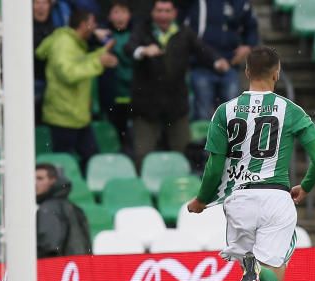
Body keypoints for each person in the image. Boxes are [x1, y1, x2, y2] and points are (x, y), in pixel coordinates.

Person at [185, 47, 315, 281]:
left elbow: (214, 165)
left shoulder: (225, 111)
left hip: (239, 201)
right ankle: (259, 273)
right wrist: (305, 187)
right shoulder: (290, 110)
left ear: (246, 72)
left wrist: (202, 200)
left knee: (258, 280)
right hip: (277, 198)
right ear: (277, 73)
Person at [126, 0, 230, 168]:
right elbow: (129, 47)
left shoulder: (184, 32)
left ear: (174, 13)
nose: (163, 15)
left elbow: (202, 49)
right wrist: (143, 51)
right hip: (146, 107)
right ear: (152, 13)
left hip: (176, 106)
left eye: (167, 11)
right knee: (142, 156)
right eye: (159, 11)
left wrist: (216, 61)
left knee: (183, 154)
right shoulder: (141, 30)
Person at [35, 9, 119, 164]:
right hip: (63, 116)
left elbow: (80, 62)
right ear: (83, 24)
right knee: (63, 163)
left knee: (92, 159)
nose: (94, 28)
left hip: (77, 116)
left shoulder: (74, 43)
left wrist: (100, 54)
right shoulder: (64, 43)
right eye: (92, 24)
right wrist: (98, 62)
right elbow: (69, 73)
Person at [183, 0, 260, 121]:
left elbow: (252, 27)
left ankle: (230, 139)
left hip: (230, 65)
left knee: (233, 115)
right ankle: (204, 140)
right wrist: (213, 59)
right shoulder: (193, 3)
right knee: (203, 115)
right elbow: (186, 31)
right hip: (200, 64)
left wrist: (248, 46)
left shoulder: (241, 3)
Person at [98, 1, 134, 149]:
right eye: (116, 12)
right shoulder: (99, 37)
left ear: (129, 15)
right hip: (111, 98)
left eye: (123, 12)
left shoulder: (138, 35)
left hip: (134, 97)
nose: (120, 17)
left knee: (131, 140)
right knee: (112, 139)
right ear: (109, 16)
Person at [36, 163, 92, 257]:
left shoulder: (48, 209)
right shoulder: (74, 208)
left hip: (58, 267)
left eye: (40, 178)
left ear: (52, 181)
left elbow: (49, 246)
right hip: (78, 266)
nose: (35, 183)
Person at [33, 0, 55, 120]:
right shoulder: (22, 30)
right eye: (37, 3)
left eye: (44, 3)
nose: (40, 7)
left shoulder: (56, 29)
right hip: (31, 83)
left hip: (51, 83)